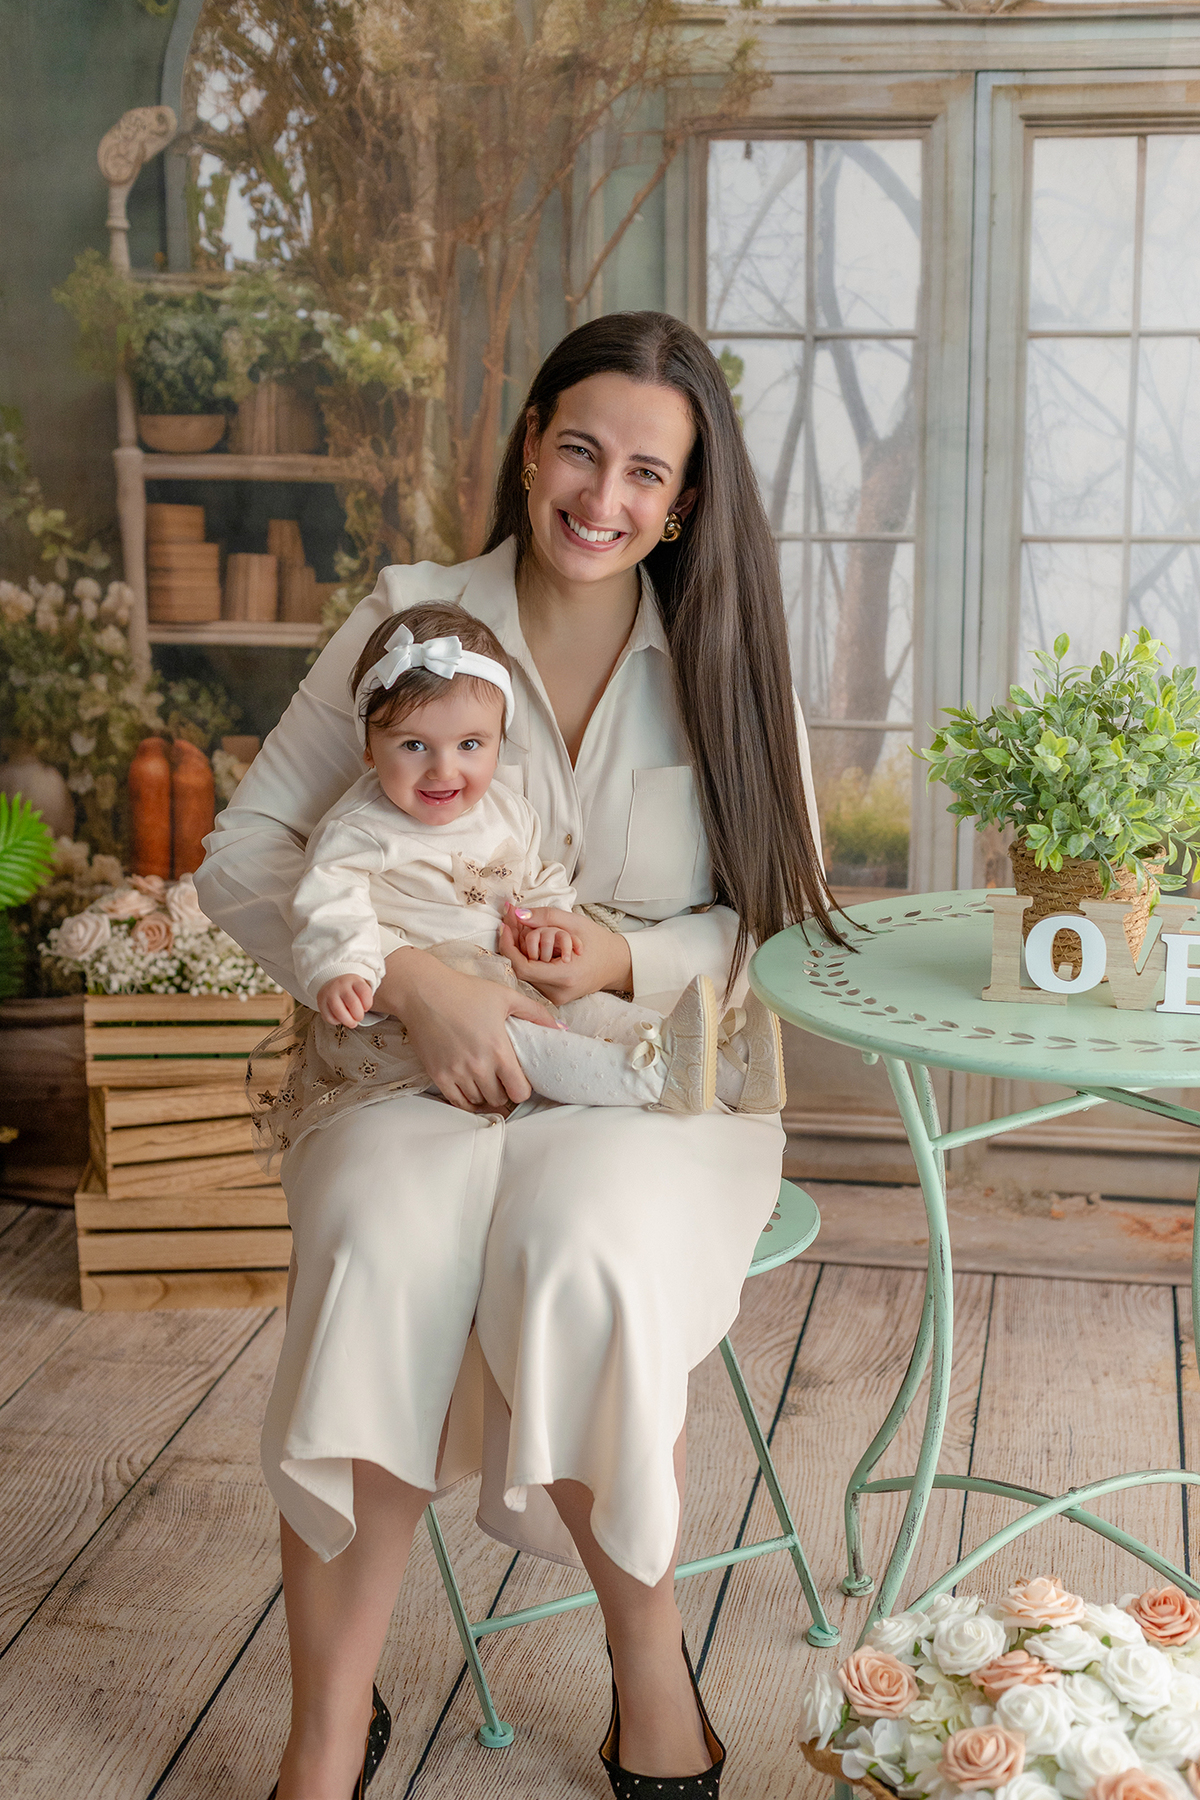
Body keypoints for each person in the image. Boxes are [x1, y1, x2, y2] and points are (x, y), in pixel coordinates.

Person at [195, 309, 842, 1800]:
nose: (603, 498)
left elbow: (774, 921)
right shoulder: (409, 621)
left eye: (646, 473)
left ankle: (648, 1665)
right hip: (399, 1069)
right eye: (580, 450)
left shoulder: (728, 660)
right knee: (378, 1237)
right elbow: (246, 854)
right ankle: (324, 1734)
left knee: (578, 1242)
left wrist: (618, 960)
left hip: (649, 1082)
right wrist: (415, 983)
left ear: (684, 500)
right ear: (532, 439)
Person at [254, 599, 787, 1159]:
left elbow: (534, 881)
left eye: (470, 745)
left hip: (512, 977)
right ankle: (654, 1079)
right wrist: (342, 967)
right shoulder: (358, 829)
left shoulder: (508, 811)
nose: (443, 769)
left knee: (598, 1013)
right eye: (414, 745)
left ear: (498, 741)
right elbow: (327, 903)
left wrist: (551, 925)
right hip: (425, 1014)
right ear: (368, 747)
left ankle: (729, 1073)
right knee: (533, 1044)